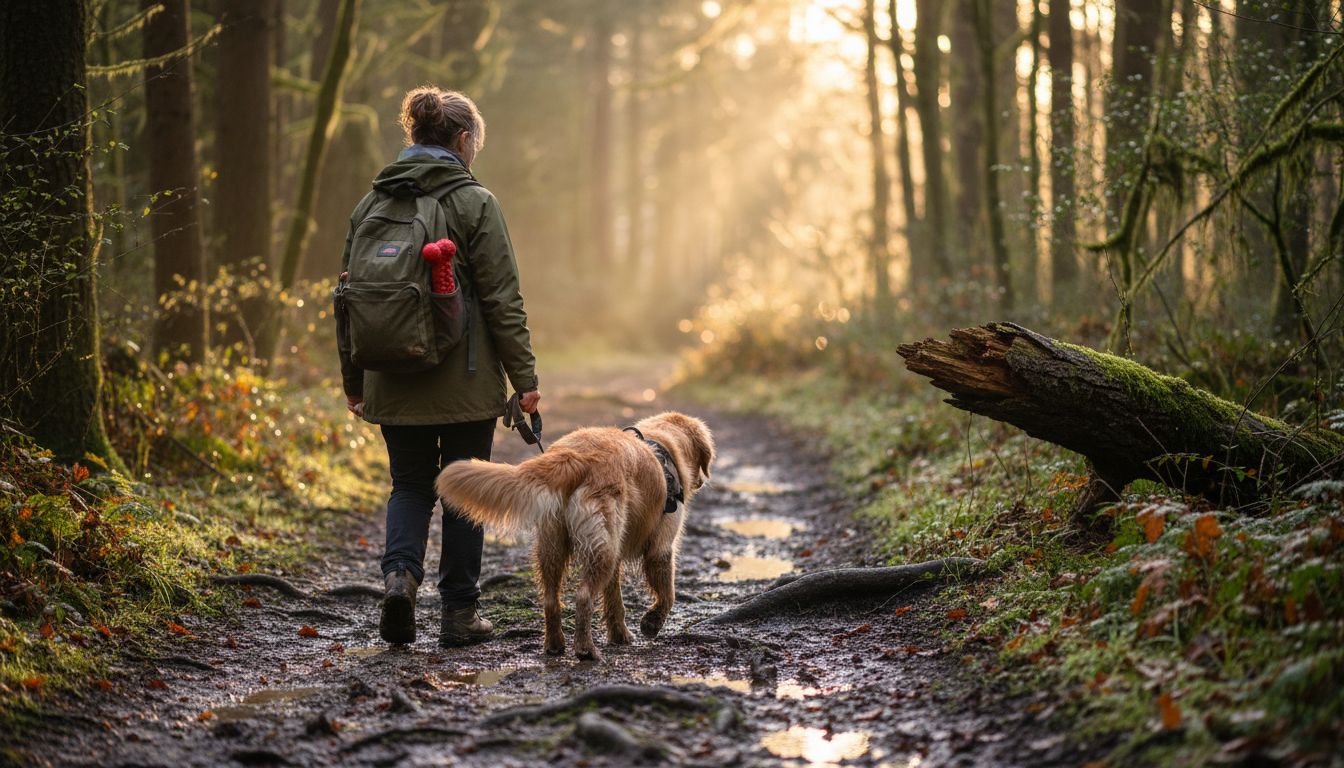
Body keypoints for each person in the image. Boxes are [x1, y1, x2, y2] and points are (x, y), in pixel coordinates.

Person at [338, 86, 540, 646]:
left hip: (389, 375)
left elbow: (348, 301)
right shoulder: (476, 203)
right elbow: (503, 299)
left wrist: (354, 382)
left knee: (409, 485)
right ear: (463, 140)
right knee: (465, 488)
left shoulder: (370, 203)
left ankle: (399, 579)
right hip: (465, 379)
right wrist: (525, 380)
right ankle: (458, 616)